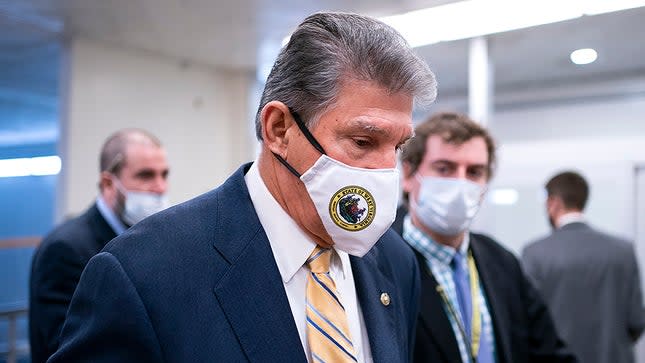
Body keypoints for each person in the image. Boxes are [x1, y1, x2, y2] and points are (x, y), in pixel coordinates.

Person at [47, 11, 437, 363]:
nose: (387, 171)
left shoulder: (394, 262)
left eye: (398, 146)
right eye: (363, 142)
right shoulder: (144, 273)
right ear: (279, 129)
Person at [395, 111, 577, 363]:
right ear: (408, 175)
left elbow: (548, 351)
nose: (460, 184)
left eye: (474, 172)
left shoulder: (501, 261)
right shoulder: (378, 261)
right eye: (444, 168)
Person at [29, 128, 170, 363]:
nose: (160, 187)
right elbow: (66, 348)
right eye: (146, 175)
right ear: (107, 183)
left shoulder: (151, 242)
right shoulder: (65, 249)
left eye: (164, 175)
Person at [522, 171, 645, 363]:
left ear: (552, 203)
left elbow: (528, 326)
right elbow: (636, 321)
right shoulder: (623, 250)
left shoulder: (534, 253)